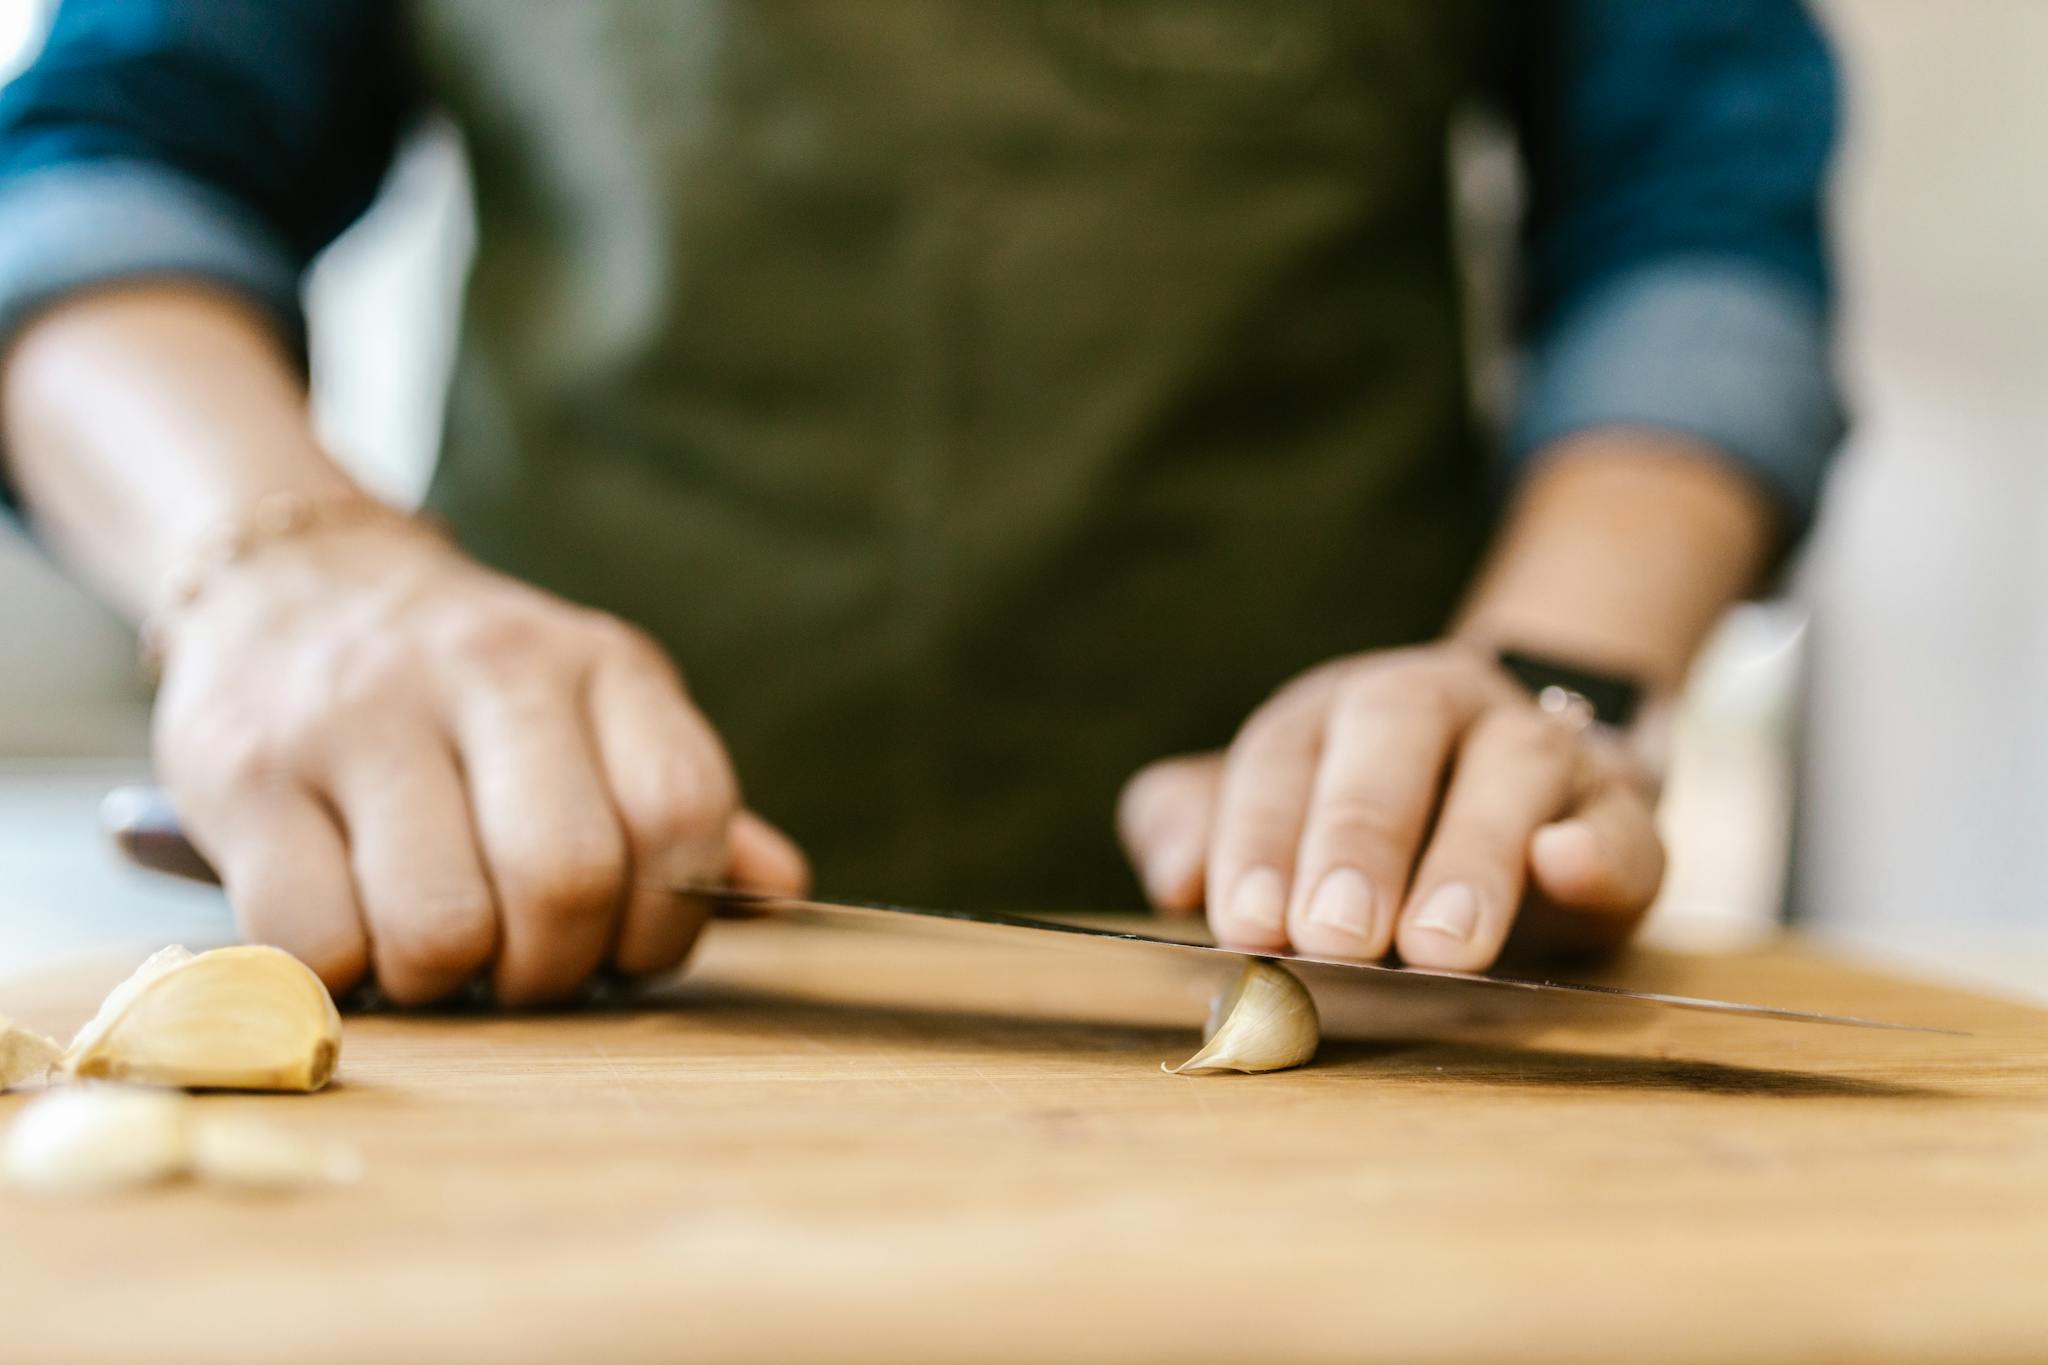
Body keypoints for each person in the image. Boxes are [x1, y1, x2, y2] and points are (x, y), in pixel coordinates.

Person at [0, 1, 1841, 1006]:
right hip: (533, 952)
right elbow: (103, 160)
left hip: (1358, 989)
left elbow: (1696, 223)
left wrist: (1547, 681)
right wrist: (277, 566)